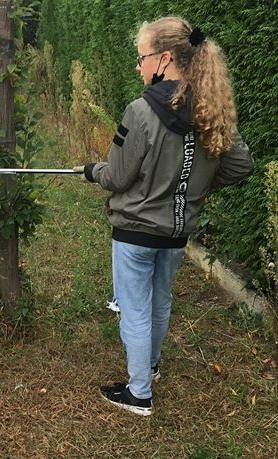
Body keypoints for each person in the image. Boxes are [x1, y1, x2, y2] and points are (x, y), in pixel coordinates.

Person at [82, 17, 253, 416]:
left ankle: (139, 392)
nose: (138, 66)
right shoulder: (212, 107)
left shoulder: (140, 110)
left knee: (136, 308)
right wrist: (197, 185)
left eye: (141, 58)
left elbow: (119, 176)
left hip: (136, 232)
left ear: (164, 59)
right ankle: (150, 367)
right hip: (177, 233)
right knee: (159, 302)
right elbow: (239, 165)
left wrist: (95, 171)